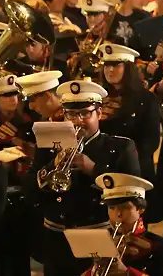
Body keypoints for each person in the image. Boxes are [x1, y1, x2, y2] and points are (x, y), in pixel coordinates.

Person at [26, 80, 140, 276]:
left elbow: (134, 196)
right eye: (71, 114)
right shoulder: (49, 144)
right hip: (55, 236)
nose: (78, 121)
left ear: (99, 114)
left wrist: (94, 169)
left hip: (96, 234)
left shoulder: (121, 147)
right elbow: (29, 190)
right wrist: (53, 165)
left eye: (85, 113)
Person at [98, 43, 161, 221]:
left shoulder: (146, 99)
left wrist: (124, 161)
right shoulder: (98, 98)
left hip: (134, 173)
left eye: (116, 65)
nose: (110, 70)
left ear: (128, 68)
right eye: (106, 65)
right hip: (102, 172)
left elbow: (151, 141)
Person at [77, 173, 163, 276]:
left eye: (125, 207)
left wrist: (126, 273)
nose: (118, 214)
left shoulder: (158, 246)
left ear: (141, 209)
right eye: (111, 208)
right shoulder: (101, 241)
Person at [0, 75, 34, 276]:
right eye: (6, 95)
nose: (12, 99)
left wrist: (24, 147)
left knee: (18, 252)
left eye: (15, 94)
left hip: (20, 191)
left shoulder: (27, 121)